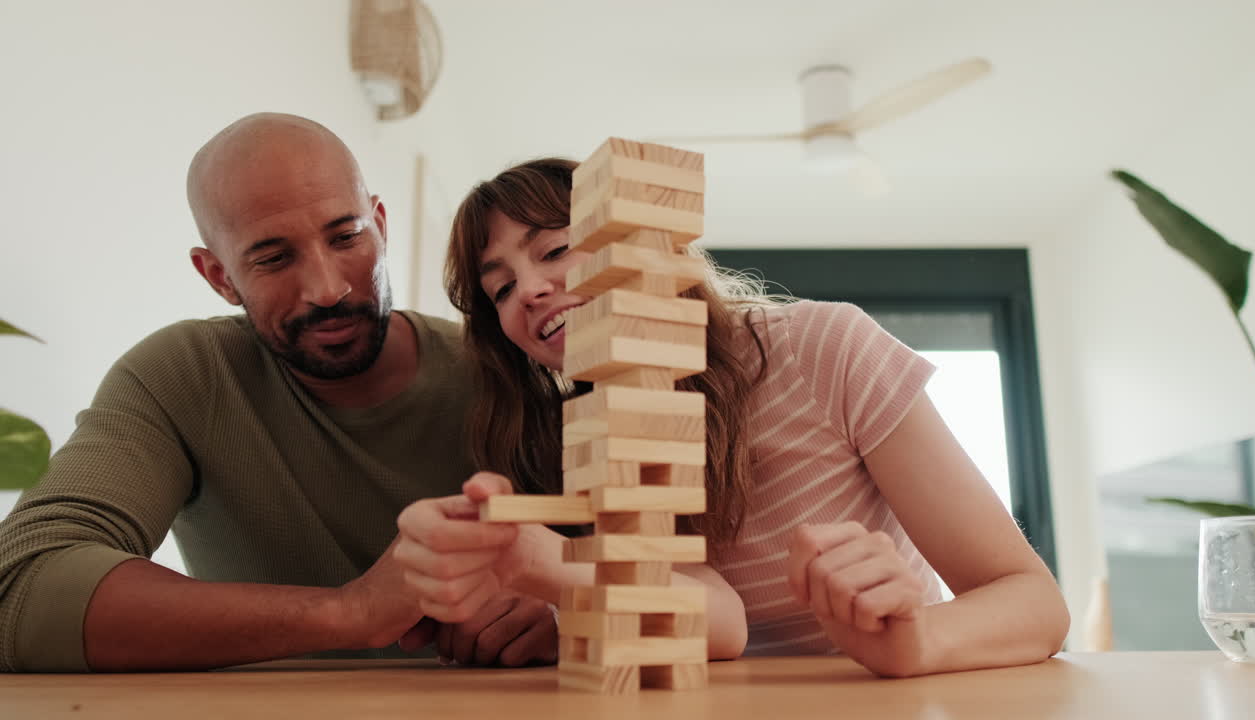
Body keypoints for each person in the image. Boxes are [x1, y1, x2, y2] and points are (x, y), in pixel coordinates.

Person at [392, 157, 1071, 677]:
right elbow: (716, 619)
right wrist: (551, 596)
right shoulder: (582, 434)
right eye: (502, 288)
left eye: (555, 250)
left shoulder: (821, 348)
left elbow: (1036, 607)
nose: (532, 290)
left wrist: (911, 640)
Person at [0, 114, 556, 673]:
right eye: (273, 258)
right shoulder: (182, 377)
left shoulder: (510, 369)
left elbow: (622, 569)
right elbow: (19, 587)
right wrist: (350, 611)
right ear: (218, 276)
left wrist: (565, 609)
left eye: (346, 237)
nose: (327, 288)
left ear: (380, 226)